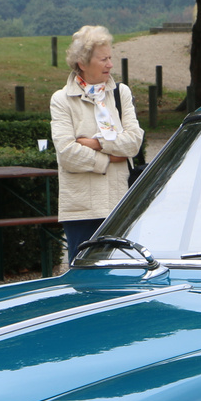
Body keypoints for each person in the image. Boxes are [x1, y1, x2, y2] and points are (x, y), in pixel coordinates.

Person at [51, 25, 144, 261]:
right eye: (103, 59)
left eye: (110, 58)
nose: (110, 65)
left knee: (122, 276)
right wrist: (111, 157)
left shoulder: (121, 93)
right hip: (81, 210)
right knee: (84, 282)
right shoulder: (61, 99)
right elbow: (67, 154)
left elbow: (133, 143)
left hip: (119, 205)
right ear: (82, 63)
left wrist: (95, 143)